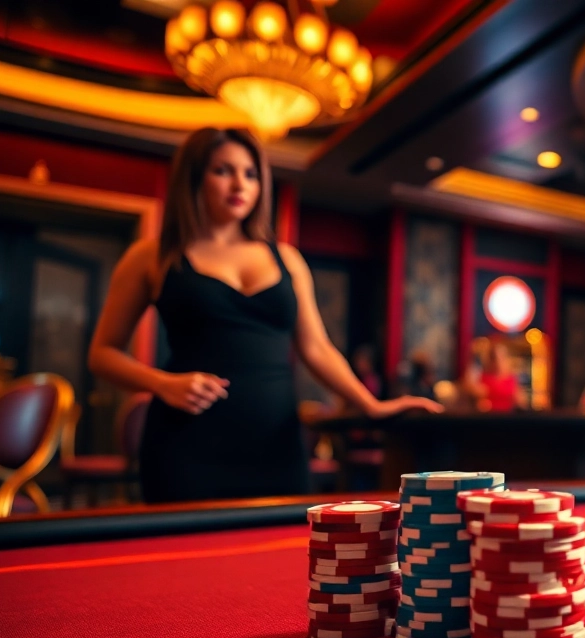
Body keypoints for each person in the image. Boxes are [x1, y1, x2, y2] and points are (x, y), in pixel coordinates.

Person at [88, 128, 441, 503]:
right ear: (193, 178)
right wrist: (162, 384)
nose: (239, 184)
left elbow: (317, 348)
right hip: (186, 441)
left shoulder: (287, 258)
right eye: (223, 170)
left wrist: (372, 405)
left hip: (276, 441)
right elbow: (102, 354)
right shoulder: (152, 256)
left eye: (251, 174)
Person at [465, 340, 523, 412]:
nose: (498, 361)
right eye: (495, 357)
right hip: (487, 415)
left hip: (508, 415)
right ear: (490, 359)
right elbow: (473, 391)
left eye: (502, 357)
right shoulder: (482, 376)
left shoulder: (512, 378)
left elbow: (520, 401)